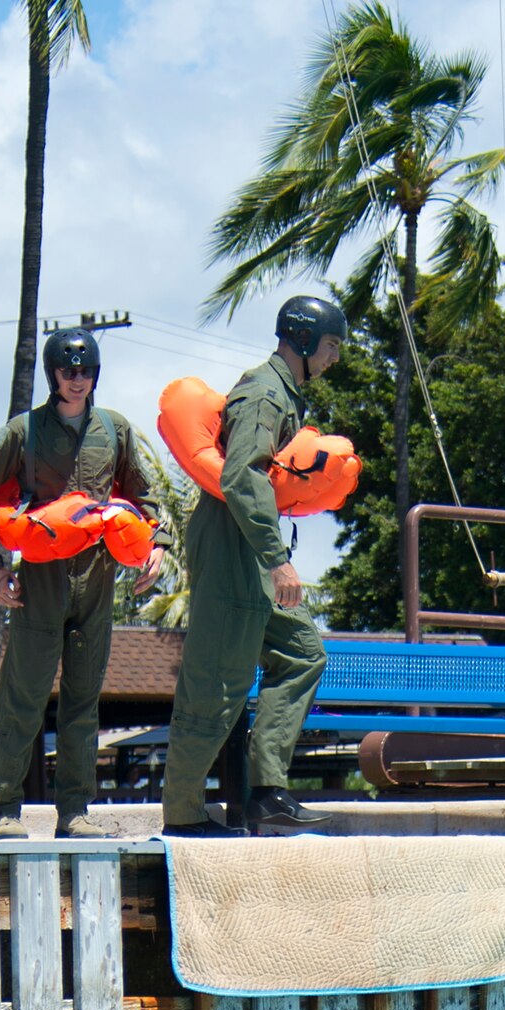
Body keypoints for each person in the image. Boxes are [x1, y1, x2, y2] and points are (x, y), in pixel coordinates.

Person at [0, 327, 163, 839]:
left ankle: (75, 812)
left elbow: (145, 495)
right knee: (22, 696)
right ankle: (5, 810)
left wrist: (155, 547)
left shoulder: (114, 429)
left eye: (86, 371)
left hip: (97, 578)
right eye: (68, 371)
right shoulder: (21, 433)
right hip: (40, 579)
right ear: (52, 373)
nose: (78, 380)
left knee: (83, 701)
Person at [160, 295, 343, 838]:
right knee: (218, 679)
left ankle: (268, 793)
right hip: (231, 546)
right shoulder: (264, 392)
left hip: (250, 546)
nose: (335, 358)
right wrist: (277, 559)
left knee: (303, 653)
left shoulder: (285, 393)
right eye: (332, 346)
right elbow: (242, 478)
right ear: (306, 340)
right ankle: (185, 814)